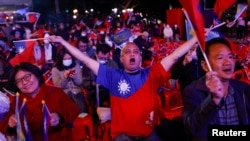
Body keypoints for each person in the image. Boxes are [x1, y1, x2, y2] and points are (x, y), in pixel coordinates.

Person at [49, 34, 198, 141]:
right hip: (122, 135)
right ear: (121, 59)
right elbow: (85, 60)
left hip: (148, 132)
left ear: (140, 57)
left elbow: (174, 57)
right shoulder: (112, 75)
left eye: (135, 52)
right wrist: (62, 41)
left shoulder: (152, 73)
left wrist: (195, 38)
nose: (132, 54)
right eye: (127, 52)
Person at [182, 38, 250, 141]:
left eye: (230, 56)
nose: (228, 62)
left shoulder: (243, 89)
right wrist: (213, 100)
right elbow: (191, 130)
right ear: (205, 65)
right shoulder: (193, 91)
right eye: (220, 58)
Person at [0, 62, 79, 141]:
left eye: (27, 76)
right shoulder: (17, 102)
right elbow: (3, 123)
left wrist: (59, 116)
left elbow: (73, 109)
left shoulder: (55, 93)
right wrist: (10, 124)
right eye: (18, 81)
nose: (24, 82)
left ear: (37, 76)